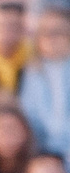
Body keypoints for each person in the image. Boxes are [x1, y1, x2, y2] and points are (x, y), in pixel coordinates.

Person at [17, 10, 70, 157]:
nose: (51, 38)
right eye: (45, 32)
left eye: (58, 32)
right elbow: (29, 114)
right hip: (42, 149)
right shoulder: (32, 72)